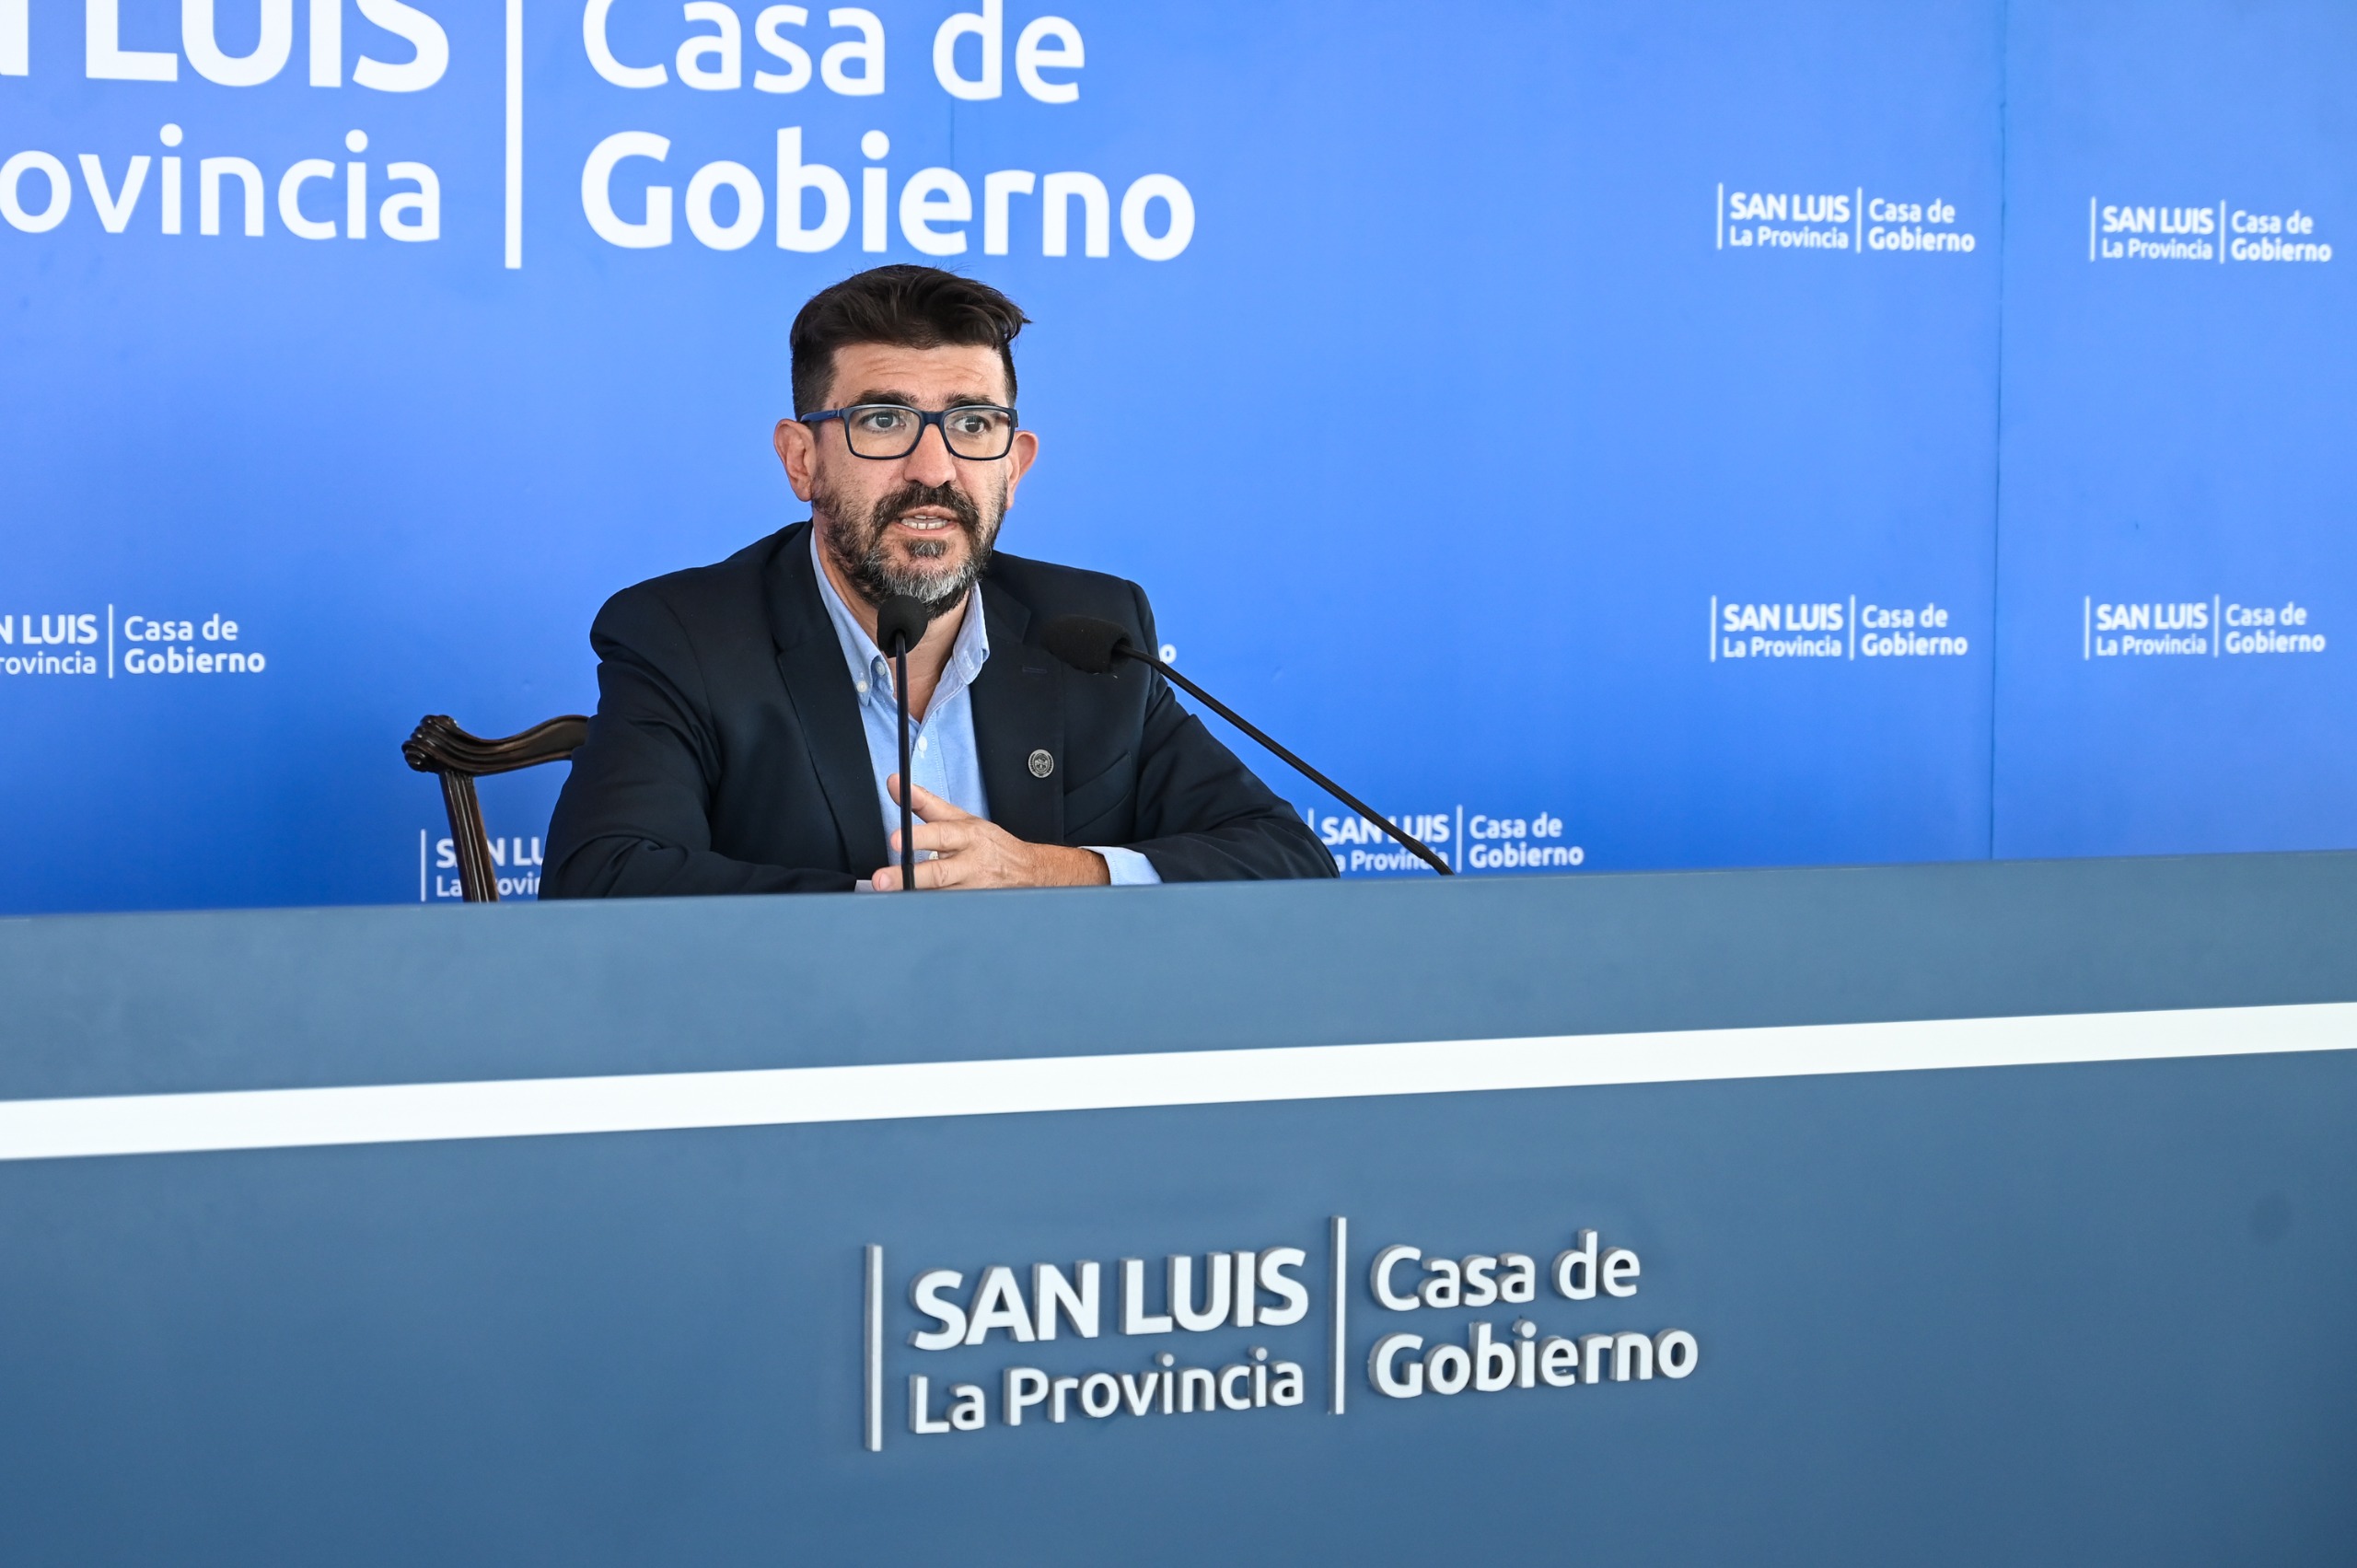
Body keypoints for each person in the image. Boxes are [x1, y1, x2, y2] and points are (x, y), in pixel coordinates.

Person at [543, 265, 1335, 895]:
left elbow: (1285, 858)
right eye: (883, 421)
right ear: (801, 460)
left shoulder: (1093, 632)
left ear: (1015, 466)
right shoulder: (686, 636)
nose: (934, 469)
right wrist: (894, 910)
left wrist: (1049, 873)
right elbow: (605, 878)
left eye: (972, 424)